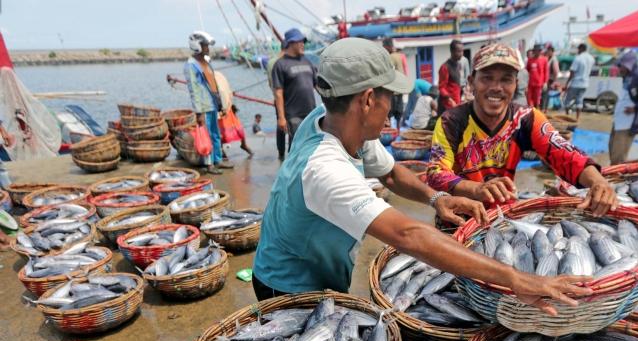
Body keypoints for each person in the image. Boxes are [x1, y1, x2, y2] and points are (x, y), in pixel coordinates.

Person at [253, 37, 591, 314]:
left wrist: (437, 198)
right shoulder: (325, 169)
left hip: (320, 267)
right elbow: (408, 235)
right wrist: (516, 279)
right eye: (392, 97)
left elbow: (391, 174)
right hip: (288, 283)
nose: (394, 107)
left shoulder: (334, 119)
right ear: (368, 100)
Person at [428, 43, 617, 215]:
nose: (496, 87)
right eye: (486, 78)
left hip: (502, 214)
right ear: (471, 83)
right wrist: (476, 189)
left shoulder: (526, 118)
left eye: (506, 80)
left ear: (516, 85)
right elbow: (436, 173)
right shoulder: (451, 121)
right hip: (457, 215)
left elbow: (565, 154)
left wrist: (599, 183)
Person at [184, 31, 229, 174]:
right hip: (203, 107)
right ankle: (209, 164)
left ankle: (218, 160)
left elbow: (214, 83)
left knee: (215, 134)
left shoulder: (206, 62)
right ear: (197, 45)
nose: (207, 48)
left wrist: (220, 103)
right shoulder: (191, 65)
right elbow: (194, 90)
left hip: (213, 104)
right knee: (207, 135)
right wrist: (199, 112)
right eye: (205, 45)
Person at [271, 28, 317, 159]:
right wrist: (281, 117)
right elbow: (278, 93)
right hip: (293, 114)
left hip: (310, 112)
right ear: (290, 43)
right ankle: (292, 174)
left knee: (310, 144)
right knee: (296, 146)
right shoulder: (280, 65)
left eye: (303, 41)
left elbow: (317, 85)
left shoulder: (307, 61)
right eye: (300, 42)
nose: (303, 44)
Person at [608, 51, 638, 165]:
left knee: (619, 155)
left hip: (627, 122)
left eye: (622, 66)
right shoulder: (627, 76)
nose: (620, 68)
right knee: (613, 149)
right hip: (619, 120)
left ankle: (615, 178)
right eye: (620, 65)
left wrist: (637, 107)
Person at [215, 71, 253, 158]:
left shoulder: (218, 76)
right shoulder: (211, 77)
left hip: (226, 108)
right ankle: (221, 150)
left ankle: (244, 145)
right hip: (217, 111)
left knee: (239, 129)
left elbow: (225, 90)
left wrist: (227, 104)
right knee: (220, 132)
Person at [382, 37, 409, 131]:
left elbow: (388, 71)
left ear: (387, 47)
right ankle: (398, 130)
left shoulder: (391, 57)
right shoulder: (400, 56)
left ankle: (389, 131)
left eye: (384, 47)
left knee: (389, 112)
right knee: (399, 112)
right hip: (400, 89)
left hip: (393, 90)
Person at [563, 44, 594, 120]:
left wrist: (567, 83)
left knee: (567, 101)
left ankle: (567, 117)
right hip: (585, 83)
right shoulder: (591, 58)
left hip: (576, 83)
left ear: (581, 49)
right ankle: (577, 118)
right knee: (579, 101)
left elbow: (572, 72)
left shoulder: (578, 58)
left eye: (578, 49)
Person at [439, 40, 466, 113]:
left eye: (462, 51)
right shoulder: (445, 67)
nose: (461, 54)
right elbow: (441, 88)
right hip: (448, 106)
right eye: (459, 51)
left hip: (457, 102)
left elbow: (455, 84)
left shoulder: (459, 65)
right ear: (452, 51)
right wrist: (451, 101)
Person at [526, 44, 547, 109]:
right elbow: (527, 71)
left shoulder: (544, 60)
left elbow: (546, 72)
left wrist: (545, 82)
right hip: (530, 84)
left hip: (539, 84)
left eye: (539, 50)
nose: (538, 52)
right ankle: (531, 113)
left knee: (537, 101)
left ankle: (537, 114)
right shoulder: (530, 60)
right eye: (536, 50)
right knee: (529, 100)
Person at [543, 44, 560, 110]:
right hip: (547, 79)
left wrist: (554, 82)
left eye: (549, 51)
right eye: (547, 51)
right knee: (545, 94)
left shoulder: (554, 59)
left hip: (550, 80)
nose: (548, 52)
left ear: (552, 52)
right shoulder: (548, 58)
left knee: (546, 94)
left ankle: (545, 109)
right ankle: (545, 108)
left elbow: (556, 71)